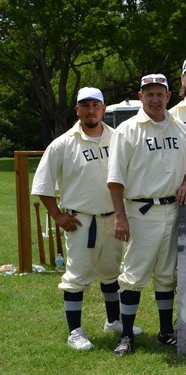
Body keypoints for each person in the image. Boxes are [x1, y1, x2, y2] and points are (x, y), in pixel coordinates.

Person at [32, 87, 141, 350]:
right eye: (85, 105)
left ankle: (113, 320)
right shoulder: (62, 144)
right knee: (77, 277)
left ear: (104, 109)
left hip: (113, 218)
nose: (90, 110)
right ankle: (75, 331)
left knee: (111, 273)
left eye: (96, 105)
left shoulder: (118, 138)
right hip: (81, 222)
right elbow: (42, 185)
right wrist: (57, 215)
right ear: (77, 109)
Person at [107, 73, 186, 356]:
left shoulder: (179, 128)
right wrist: (120, 216)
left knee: (167, 274)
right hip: (140, 210)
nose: (155, 98)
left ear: (169, 96)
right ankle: (126, 335)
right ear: (140, 96)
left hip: (172, 209)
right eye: (150, 93)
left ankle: (165, 331)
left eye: (160, 93)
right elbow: (115, 178)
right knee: (134, 274)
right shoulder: (127, 129)